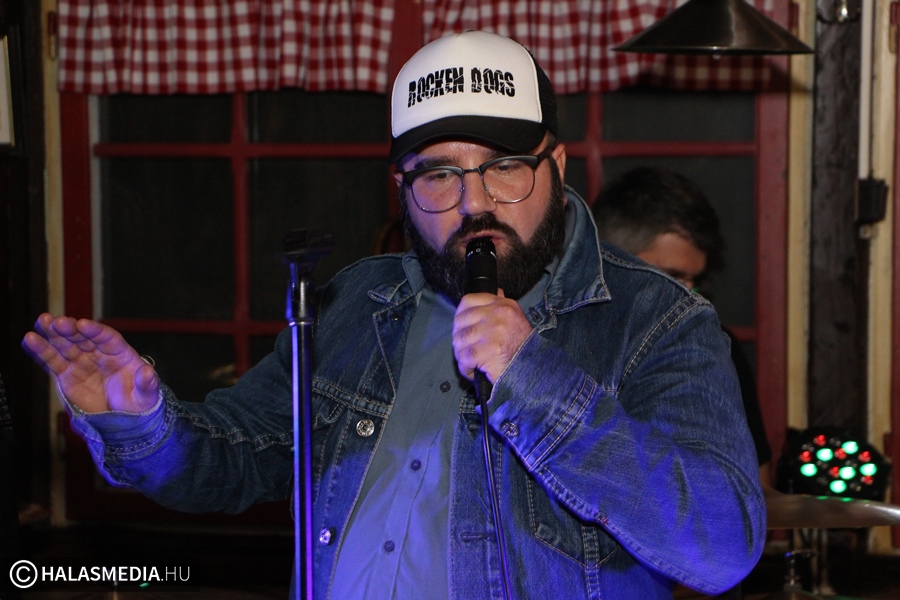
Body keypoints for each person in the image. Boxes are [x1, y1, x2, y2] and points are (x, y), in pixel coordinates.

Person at [22, 32, 765, 599]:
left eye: (505, 166)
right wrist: (140, 420)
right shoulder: (357, 303)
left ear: (557, 166)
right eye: (439, 174)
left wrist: (533, 380)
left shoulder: (658, 320)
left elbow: (723, 549)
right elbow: (235, 460)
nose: (475, 204)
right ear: (400, 188)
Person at [592, 166, 773, 486]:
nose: (688, 295)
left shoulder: (716, 348)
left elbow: (755, 487)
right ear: (610, 261)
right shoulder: (563, 343)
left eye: (694, 281)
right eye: (671, 277)